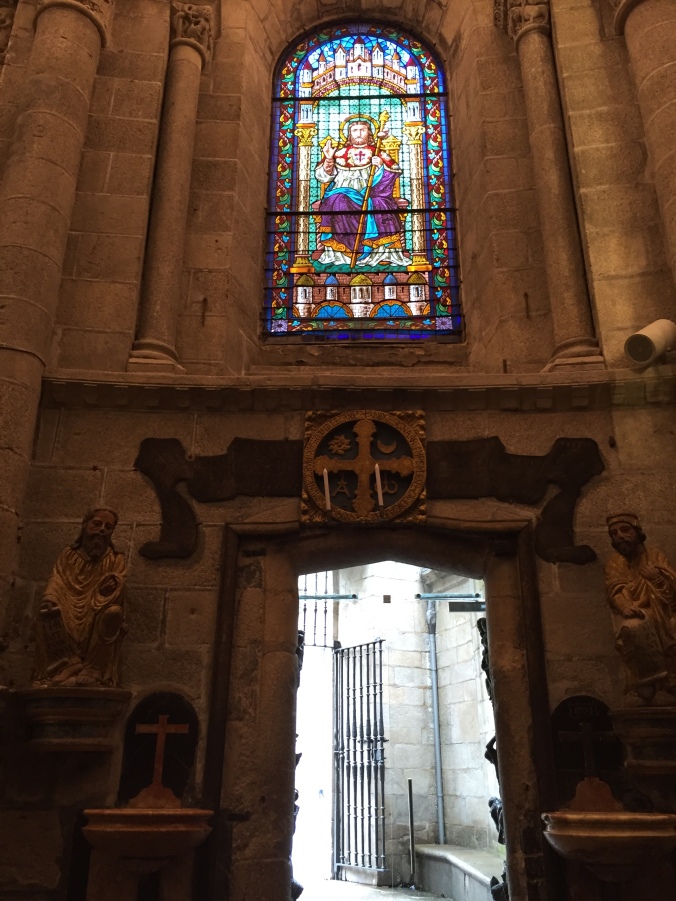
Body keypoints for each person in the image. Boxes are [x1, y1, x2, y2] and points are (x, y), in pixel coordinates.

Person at [32, 508, 127, 687]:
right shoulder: (68, 555)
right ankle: (68, 664)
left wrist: (110, 589)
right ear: (85, 526)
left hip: (98, 607)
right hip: (69, 601)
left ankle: (92, 668)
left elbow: (119, 582)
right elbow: (57, 578)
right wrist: (50, 596)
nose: (102, 530)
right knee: (49, 612)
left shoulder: (115, 559)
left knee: (113, 613)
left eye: (108, 527)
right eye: (97, 524)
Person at [315, 118, 411, 268]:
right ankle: (342, 255)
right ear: (349, 134)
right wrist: (328, 159)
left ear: (369, 133)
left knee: (380, 205)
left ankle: (378, 253)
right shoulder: (339, 153)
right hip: (342, 193)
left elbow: (392, 175)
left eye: (362, 130)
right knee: (339, 200)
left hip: (372, 193)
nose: (358, 133)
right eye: (355, 130)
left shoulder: (378, 153)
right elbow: (323, 177)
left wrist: (381, 167)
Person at [604, 512, 676, 705]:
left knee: (673, 627)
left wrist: (656, 578)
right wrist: (625, 606)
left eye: (625, 530)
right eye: (614, 533)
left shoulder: (655, 555)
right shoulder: (614, 563)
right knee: (633, 626)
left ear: (637, 531)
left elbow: (671, 592)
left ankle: (665, 686)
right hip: (634, 611)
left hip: (662, 611)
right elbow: (615, 590)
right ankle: (643, 686)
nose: (620, 535)